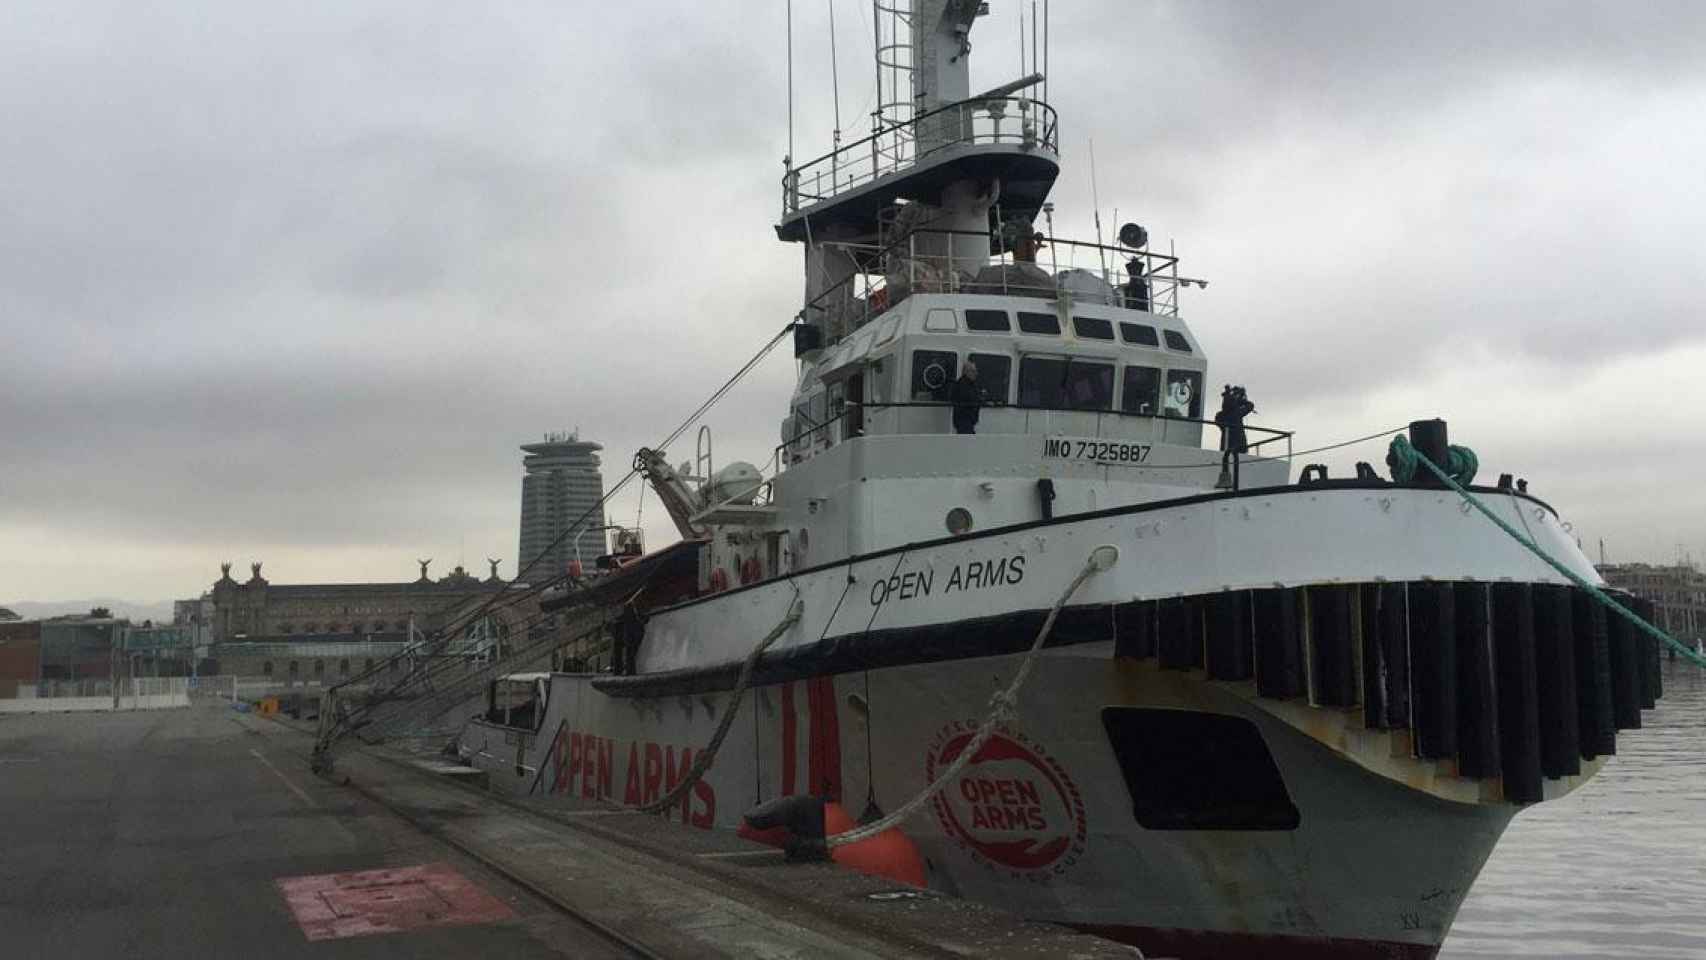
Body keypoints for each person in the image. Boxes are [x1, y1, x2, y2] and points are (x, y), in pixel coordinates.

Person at [1214, 384, 1256, 489]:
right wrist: (1241, 401)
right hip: (1239, 444)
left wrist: (1230, 397)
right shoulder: (1237, 412)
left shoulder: (1219, 416)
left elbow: (1220, 420)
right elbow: (1250, 405)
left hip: (1226, 445)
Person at [951, 361, 982, 434]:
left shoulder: (971, 384)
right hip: (964, 420)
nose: (976, 373)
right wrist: (978, 399)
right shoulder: (962, 385)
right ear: (966, 372)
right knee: (967, 442)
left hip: (968, 420)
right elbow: (968, 397)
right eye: (973, 371)